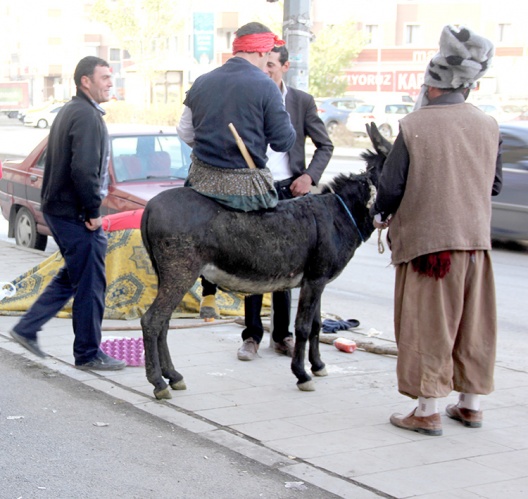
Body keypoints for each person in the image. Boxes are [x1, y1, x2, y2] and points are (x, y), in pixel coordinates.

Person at [370, 25, 502, 436]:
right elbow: (493, 185)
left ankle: (426, 410)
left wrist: (380, 215)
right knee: (473, 325)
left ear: (431, 87)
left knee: (430, 326)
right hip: (475, 244)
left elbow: (391, 187)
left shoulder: (414, 126)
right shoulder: (488, 125)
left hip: (430, 249)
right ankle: (470, 405)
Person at [9, 56, 126, 371]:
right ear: (85, 81)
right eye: (104, 77)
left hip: (60, 209)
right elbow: (84, 170)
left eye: (110, 77)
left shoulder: (71, 111)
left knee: (74, 274)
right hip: (75, 212)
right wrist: (92, 212)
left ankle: (27, 328)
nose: (110, 83)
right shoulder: (86, 116)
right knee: (90, 282)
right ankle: (88, 353)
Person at [177, 22, 296, 321]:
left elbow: (184, 131)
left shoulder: (202, 82)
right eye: (267, 52)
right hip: (246, 185)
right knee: (273, 240)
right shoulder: (266, 85)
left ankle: (209, 293)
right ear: (260, 50)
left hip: (201, 180)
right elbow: (283, 141)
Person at [237, 45, 334, 361]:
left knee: (288, 263)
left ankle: (282, 335)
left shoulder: (301, 102)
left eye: (270, 66)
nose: (264, 72)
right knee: (254, 259)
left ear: (285, 66)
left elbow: (325, 145)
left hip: (292, 191)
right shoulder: (250, 95)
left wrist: (309, 177)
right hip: (257, 187)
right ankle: (251, 335)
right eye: (261, 65)